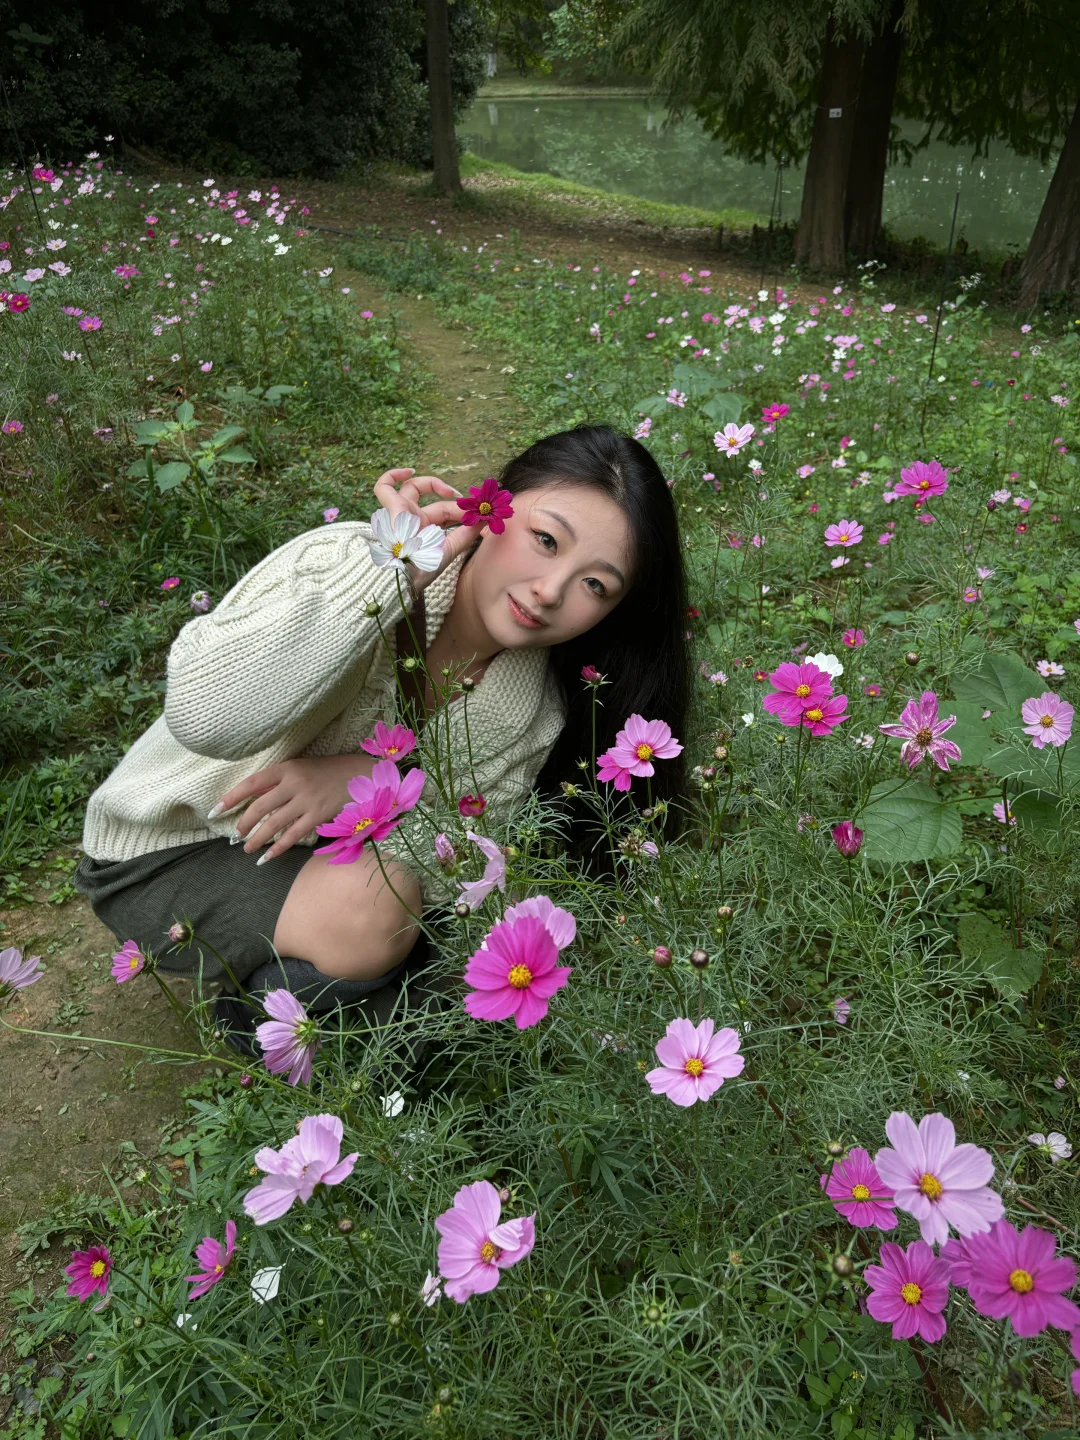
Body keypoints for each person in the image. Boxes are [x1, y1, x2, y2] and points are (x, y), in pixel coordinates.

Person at [74, 424, 691, 1047]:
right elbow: (205, 715)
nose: (551, 591)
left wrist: (373, 786)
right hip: (169, 847)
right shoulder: (345, 559)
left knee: (441, 959)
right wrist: (391, 574)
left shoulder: (533, 706)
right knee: (385, 918)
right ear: (489, 509)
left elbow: (460, 869)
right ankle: (300, 1021)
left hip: (310, 868)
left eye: (595, 585)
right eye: (546, 539)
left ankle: (289, 1012)